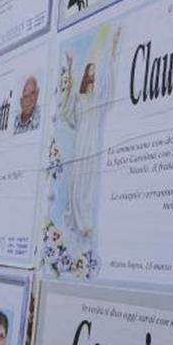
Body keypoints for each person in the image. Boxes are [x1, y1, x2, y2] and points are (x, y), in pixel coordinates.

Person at [59, 27, 121, 238]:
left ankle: (86, 223)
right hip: (81, 142)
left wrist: (112, 52)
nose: (94, 75)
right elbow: (67, 106)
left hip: (92, 142)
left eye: (95, 72)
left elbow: (109, 90)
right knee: (78, 179)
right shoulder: (80, 99)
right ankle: (77, 220)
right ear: (87, 75)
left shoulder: (97, 99)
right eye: (91, 72)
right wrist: (68, 67)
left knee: (89, 182)